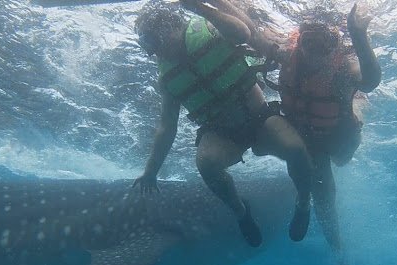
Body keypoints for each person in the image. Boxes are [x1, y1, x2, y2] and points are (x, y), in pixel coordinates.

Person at [189, 1, 382, 265]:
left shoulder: (344, 67)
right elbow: (251, 33)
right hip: (302, 134)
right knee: (323, 194)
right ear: (299, 39)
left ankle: (336, 249)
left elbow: (371, 81)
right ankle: (338, 253)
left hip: (335, 135)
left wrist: (359, 35)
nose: (314, 51)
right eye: (309, 41)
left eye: (325, 43)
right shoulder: (286, 54)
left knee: (339, 163)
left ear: (336, 45)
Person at [131, 0, 314, 248]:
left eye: (156, 42)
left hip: (259, 118)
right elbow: (167, 127)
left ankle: (303, 202)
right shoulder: (167, 79)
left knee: (296, 149)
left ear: (172, 28)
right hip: (221, 132)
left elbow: (243, 33)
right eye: (148, 47)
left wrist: (198, 6)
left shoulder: (211, 31)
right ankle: (240, 211)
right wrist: (150, 171)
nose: (156, 53)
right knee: (207, 164)